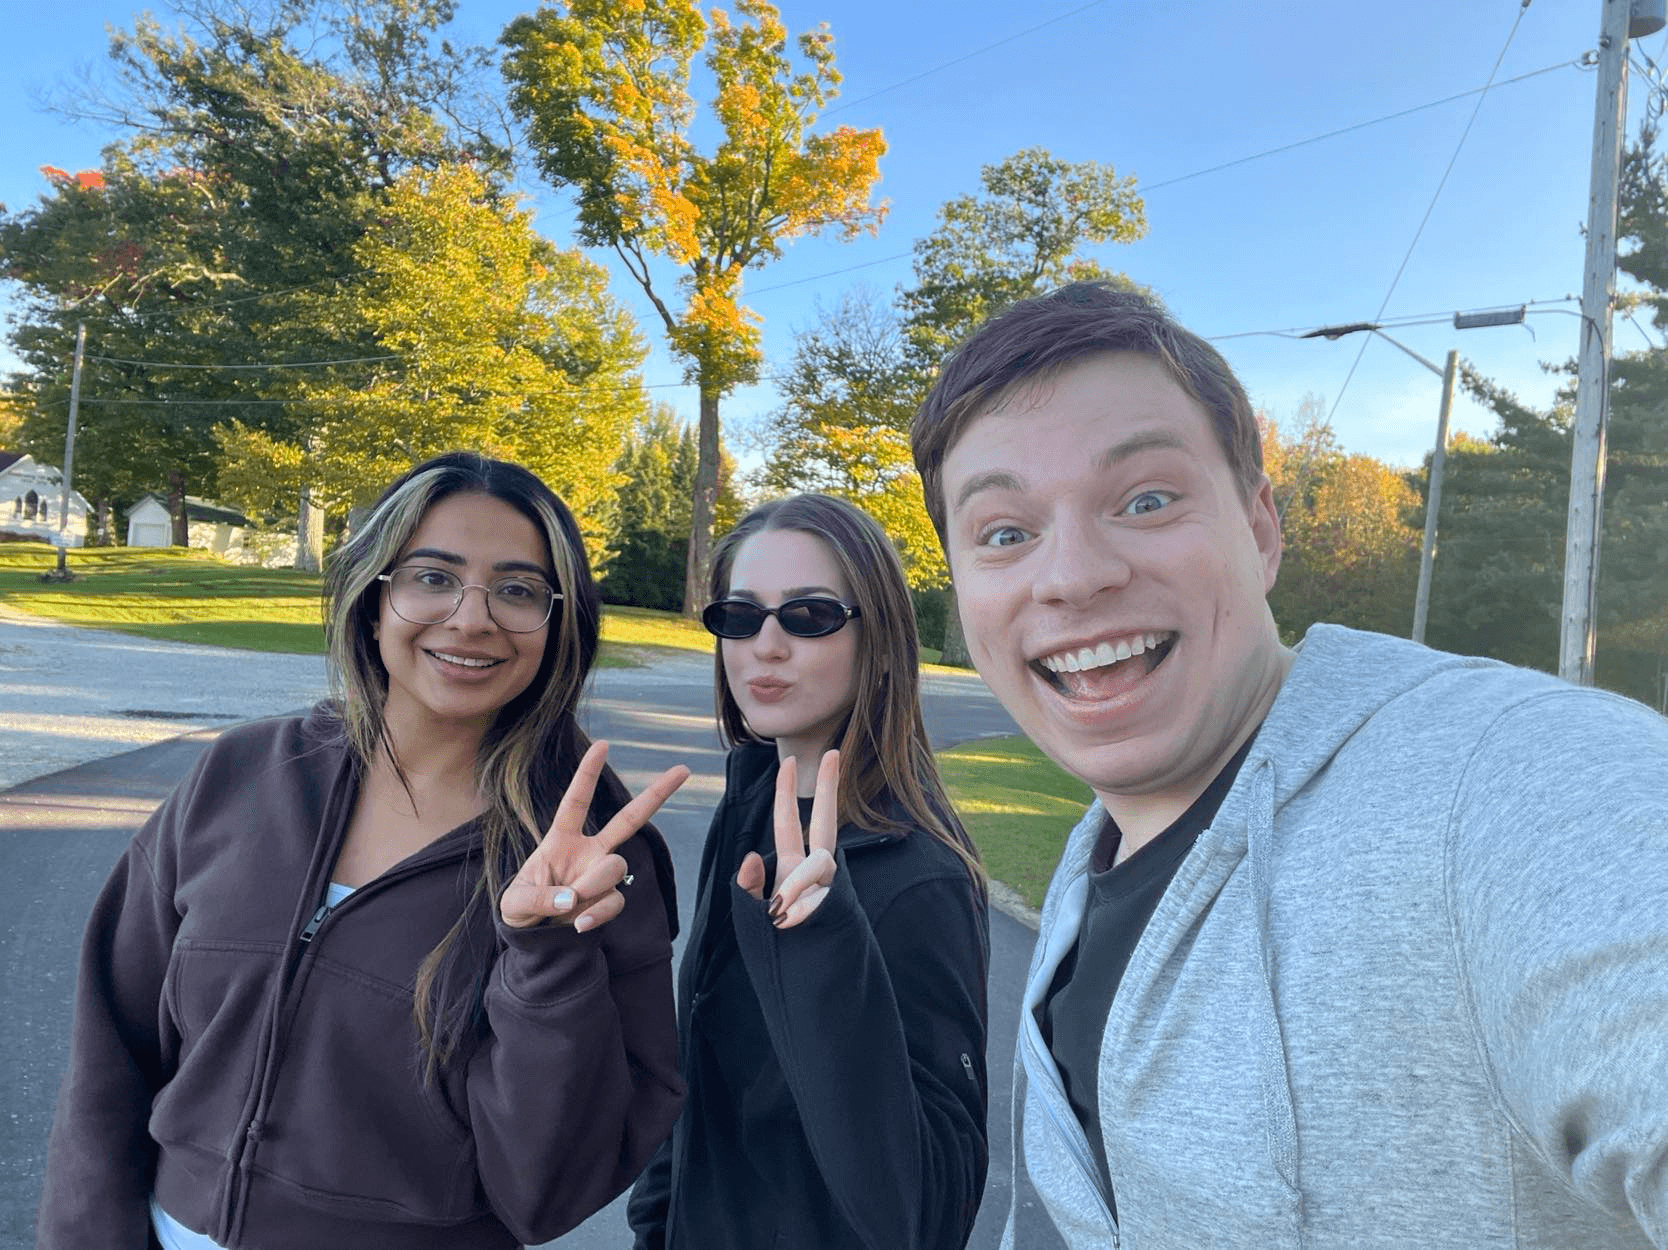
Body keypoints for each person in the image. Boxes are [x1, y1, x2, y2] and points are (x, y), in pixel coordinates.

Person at [907, 281, 1668, 1249]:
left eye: (1145, 499)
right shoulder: (1098, 851)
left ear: (1260, 528)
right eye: (1006, 532)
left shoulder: (1508, 777)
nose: (1071, 574)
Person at [37, 452, 690, 1250]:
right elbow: (111, 1053)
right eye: (433, 577)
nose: (471, 617)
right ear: (374, 598)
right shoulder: (239, 775)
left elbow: (547, 1191)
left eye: (518, 590)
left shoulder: (598, 859)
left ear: (559, 627)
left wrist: (545, 956)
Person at [626, 493, 991, 1250]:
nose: (765, 645)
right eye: (739, 614)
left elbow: (929, 1211)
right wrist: (655, 1224)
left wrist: (824, 953)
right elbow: (701, 1059)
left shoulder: (921, 875)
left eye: (809, 616)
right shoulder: (750, 807)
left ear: (879, 641)